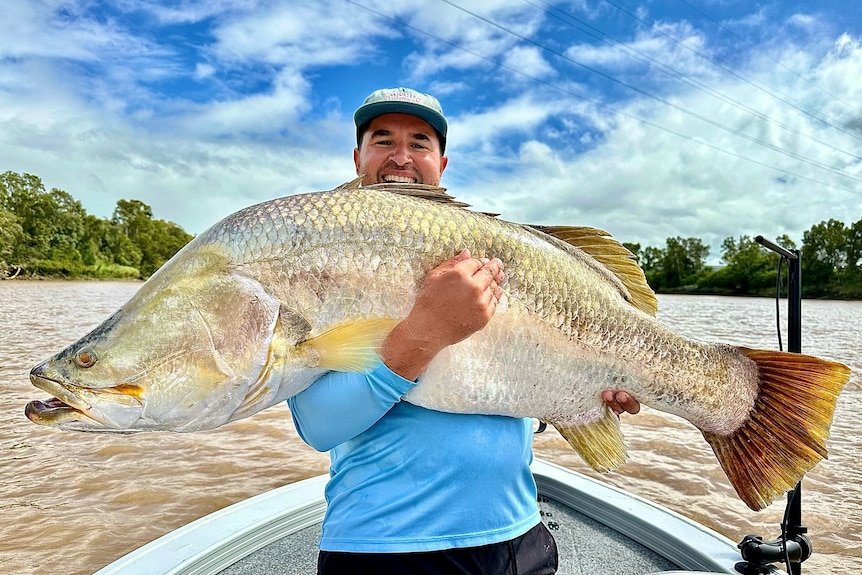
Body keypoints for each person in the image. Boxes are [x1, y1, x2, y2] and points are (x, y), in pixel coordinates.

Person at [288, 87, 641, 575]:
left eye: (419, 143)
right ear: (357, 157)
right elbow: (319, 426)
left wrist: (591, 390)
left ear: (442, 163)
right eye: (382, 139)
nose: (401, 157)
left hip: (519, 538)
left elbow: (525, 383)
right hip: (383, 548)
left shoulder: (492, 251)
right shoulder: (314, 253)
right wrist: (426, 330)